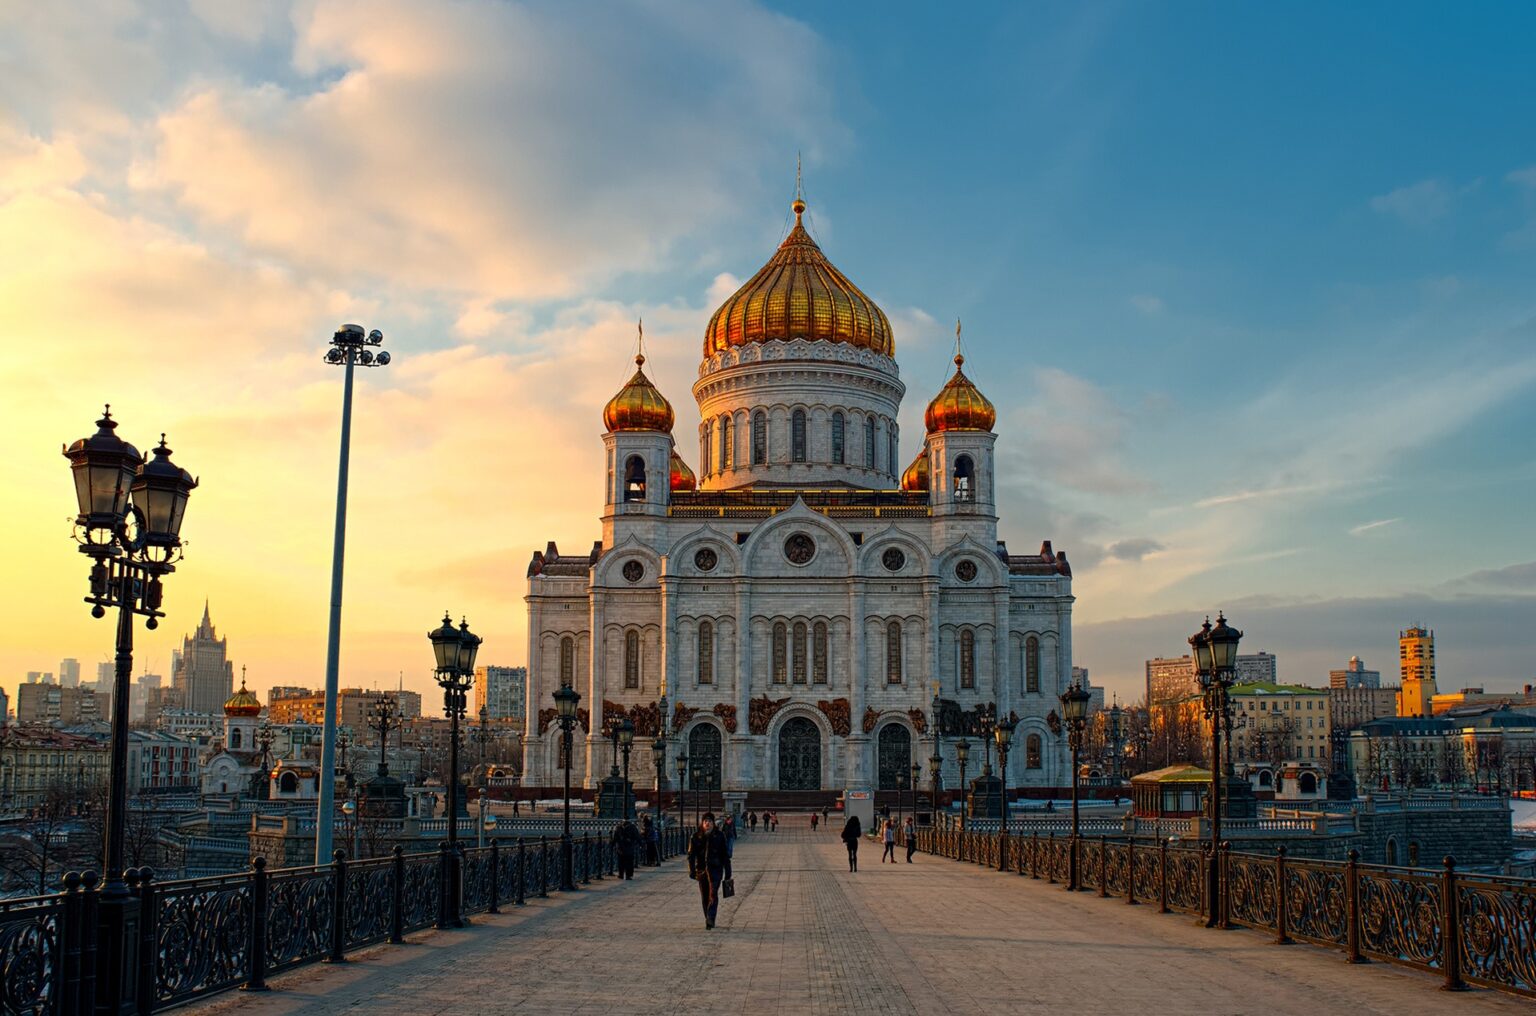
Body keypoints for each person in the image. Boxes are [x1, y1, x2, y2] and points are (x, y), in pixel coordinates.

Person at [688, 812, 730, 929]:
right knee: (704, 895)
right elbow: (691, 855)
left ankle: (710, 917)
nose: (707, 823)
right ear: (702, 823)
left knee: (713, 894)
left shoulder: (719, 836)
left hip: (715, 869)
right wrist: (691, 870)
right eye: (705, 821)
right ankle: (708, 917)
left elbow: (725, 855)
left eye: (710, 821)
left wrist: (728, 872)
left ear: (713, 823)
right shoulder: (696, 836)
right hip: (701, 870)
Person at [612, 815, 641, 880]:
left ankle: (621, 874)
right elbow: (637, 836)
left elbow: (615, 837)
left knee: (621, 861)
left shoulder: (618, 827)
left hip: (620, 847)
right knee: (629, 862)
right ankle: (628, 875)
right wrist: (641, 844)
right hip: (629, 847)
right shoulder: (633, 827)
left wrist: (613, 844)